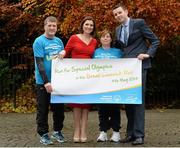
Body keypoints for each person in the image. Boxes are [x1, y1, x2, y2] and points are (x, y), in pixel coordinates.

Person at [112, 3, 160, 145]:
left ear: (126, 11)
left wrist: (147, 54)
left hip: (139, 67)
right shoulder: (117, 29)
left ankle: (139, 135)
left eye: (119, 12)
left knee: (138, 101)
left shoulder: (139, 23)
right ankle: (131, 133)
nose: (117, 16)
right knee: (128, 100)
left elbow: (155, 41)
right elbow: (122, 48)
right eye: (115, 14)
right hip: (126, 70)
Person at [33, 16, 66, 145]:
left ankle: (57, 131)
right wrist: (46, 82)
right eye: (49, 25)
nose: (52, 28)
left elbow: (61, 60)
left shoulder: (58, 41)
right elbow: (40, 63)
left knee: (59, 109)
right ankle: (43, 134)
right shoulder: (39, 41)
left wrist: (63, 52)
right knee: (43, 109)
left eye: (54, 26)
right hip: (43, 82)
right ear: (44, 26)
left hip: (58, 81)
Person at [64, 16, 98, 143]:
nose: (89, 27)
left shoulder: (94, 41)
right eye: (87, 24)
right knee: (77, 104)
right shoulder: (74, 38)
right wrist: (61, 54)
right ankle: (76, 131)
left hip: (88, 77)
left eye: (91, 25)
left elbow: (96, 57)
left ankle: (84, 131)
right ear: (82, 25)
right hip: (75, 76)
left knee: (86, 105)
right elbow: (66, 52)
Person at [93, 29, 123, 142]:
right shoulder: (96, 52)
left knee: (115, 109)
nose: (105, 38)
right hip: (100, 85)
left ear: (111, 39)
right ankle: (103, 132)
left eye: (108, 36)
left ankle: (116, 133)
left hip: (115, 85)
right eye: (103, 36)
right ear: (100, 39)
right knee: (102, 109)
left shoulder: (118, 52)